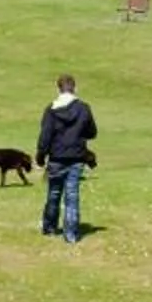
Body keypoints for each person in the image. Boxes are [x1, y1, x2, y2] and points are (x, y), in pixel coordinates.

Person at [36, 74, 99, 245]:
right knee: (72, 195)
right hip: (77, 157)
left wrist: (40, 156)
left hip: (56, 157)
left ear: (58, 88)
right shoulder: (84, 108)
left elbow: (45, 137)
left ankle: (49, 227)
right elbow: (92, 132)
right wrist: (78, 134)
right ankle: (71, 234)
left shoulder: (51, 109)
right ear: (74, 88)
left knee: (54, 193)